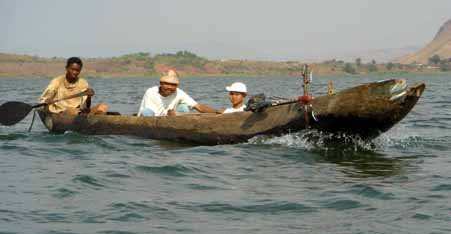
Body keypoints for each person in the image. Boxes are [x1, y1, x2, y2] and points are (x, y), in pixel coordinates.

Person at [40, 57, 108, 115]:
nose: (75, 72)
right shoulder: (57, 81)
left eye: (77, 70)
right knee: (74, 111)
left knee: (103, 107)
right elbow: (44, 100)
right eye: (72, 69)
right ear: (67, 68)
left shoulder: (83, 83)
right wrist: (48, 101)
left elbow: (87, 107)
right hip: (62, 112)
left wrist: (89, 97)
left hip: (79, 112)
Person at [137, 70, 217, 117]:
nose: (170, 87)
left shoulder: (179, 92)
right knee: (147, 112)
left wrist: (217, 112)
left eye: (173, 85)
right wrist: (170, 115)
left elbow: (198, 106)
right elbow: (150, 113)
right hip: (152, 118)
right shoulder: (151, 92)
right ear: (161, 83)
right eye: (167, 84)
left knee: (184, 107)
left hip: (170, 117)